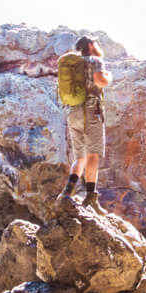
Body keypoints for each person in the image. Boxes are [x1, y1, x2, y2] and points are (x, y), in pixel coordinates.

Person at [56, 35, 110, 208]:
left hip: (73, 113)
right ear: (90, 45)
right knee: (93, 155)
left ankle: (67, 192)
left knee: (80, 156)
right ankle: (91, 198)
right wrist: (109, 77)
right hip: (91, 111)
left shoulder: (73, 64)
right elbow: (100, 81)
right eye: (96, 43)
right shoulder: (95, 60)